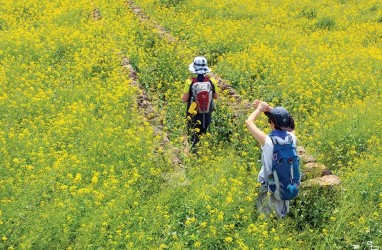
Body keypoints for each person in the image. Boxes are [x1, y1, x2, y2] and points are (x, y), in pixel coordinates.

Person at [245, 99, 297, 217]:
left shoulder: (267, 141)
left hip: (268, 183)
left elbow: (249, 122)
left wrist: (260, 108)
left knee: (265, 215)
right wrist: (270, 109)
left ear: (272, 124)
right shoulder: (292, 138)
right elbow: (291, 125)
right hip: (285, 181)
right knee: (280, 213)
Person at [182, 56, 219, 152]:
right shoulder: (212, 81)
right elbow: (216, 97)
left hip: (193, 114)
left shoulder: (190, 81)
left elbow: (184, 99)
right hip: (207, 113)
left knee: (193, 137)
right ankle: (203, 153)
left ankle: (193, 155)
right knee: (204, 134)